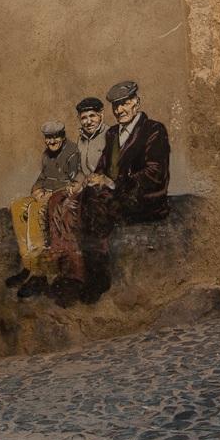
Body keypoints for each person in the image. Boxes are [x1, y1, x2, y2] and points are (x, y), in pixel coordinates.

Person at [78, 81, 170, 302]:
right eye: (115, 106)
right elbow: (103, 167)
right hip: (119, 195)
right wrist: (95, 179)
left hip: (145, 198)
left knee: (99, 204)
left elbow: (155, 174)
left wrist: (113, 183)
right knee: (87, 197)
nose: (119, 110)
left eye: (125, 103)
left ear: (136, 103)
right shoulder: (112, 134)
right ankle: (84, 273)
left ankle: (98, 277)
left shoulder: (154, 130)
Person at [7, 120, 79, 299]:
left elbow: (74, 181)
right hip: (45, 195)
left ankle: (38, 272)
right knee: (17, 207)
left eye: (55, 137)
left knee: (36, 210)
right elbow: (42, 177)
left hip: (61, 198)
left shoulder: (72, 152)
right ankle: (28, 265)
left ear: (62, 136)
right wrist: (37, 189)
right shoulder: (46, 155)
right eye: (48, 138)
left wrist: (51, 193)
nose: (52, 141)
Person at [46, 98, 108, 304]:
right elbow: (82, 171)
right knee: (56, 200)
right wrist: (75, 183)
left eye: (92, 116)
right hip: (86, 187)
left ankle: (80, 272)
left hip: (103, 189)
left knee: (71, 207)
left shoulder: (110, 136)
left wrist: (100, 180)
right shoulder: (82, 140)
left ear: (101, 115)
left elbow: (113, 168)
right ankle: (66, 267)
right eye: (84, 118)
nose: (88, 121)